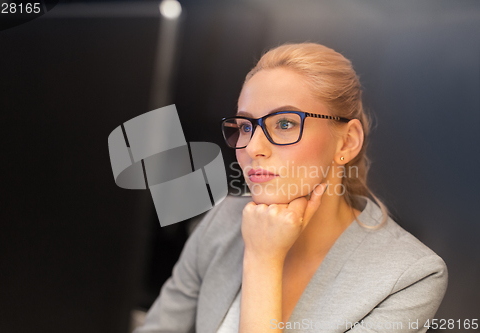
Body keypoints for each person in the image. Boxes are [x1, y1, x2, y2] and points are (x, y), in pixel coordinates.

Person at [133, 43, 448, 333]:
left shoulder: (411, 276)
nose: (253, 147)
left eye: (284, 123)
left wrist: (262, 260)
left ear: (347, 141)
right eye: (245, 126)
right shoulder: (223, 219)